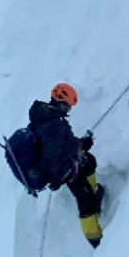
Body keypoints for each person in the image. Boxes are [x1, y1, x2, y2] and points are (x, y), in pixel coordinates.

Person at [27, 82, 105, 248]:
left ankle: (95, 194)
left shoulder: (45, 116)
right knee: (85, 203)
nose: (69, 110)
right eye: (68, 106)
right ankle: (96, 241)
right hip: (62, 171)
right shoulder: (54, 125)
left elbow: (63, 144)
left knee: (89, 161)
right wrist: (64, 173)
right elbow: (51, 156)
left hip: (65, 163)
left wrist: (81, 145)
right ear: (60, 101)